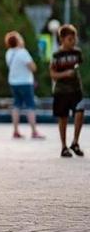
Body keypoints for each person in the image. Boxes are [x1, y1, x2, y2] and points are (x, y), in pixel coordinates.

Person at [50, 24, 84, 158]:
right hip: (61, 91)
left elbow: (78, 68)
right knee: (63, 117)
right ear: (62, 39)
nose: (73, 42)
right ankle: (63, 146)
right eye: (70, 39)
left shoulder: (77, 53)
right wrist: (65, 74)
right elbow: (52, 74)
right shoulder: (56, 55)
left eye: (74, 39)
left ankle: (75, 142)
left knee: (80, 113)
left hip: (76, 90)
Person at [4, 31, 43, 140]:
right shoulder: (23, 52)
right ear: (17, 41)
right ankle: (34, 131)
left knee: (17, 105)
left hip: (13, 82)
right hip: (25, 82)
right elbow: (33, 67)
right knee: (30, 106)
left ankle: (15, 131)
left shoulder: (8, 53)